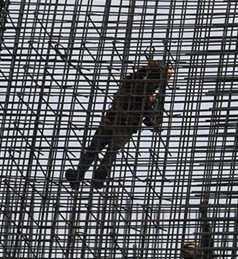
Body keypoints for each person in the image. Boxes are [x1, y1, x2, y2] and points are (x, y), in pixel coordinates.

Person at [65, 59, 173, 188]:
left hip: (120, 124)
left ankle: (91, 175)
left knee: (103, 150)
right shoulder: (136, 87)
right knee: (104, 150)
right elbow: (150, 120)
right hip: (116, 122)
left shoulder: (142, 92)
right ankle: (89, 176)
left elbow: (151, 120)